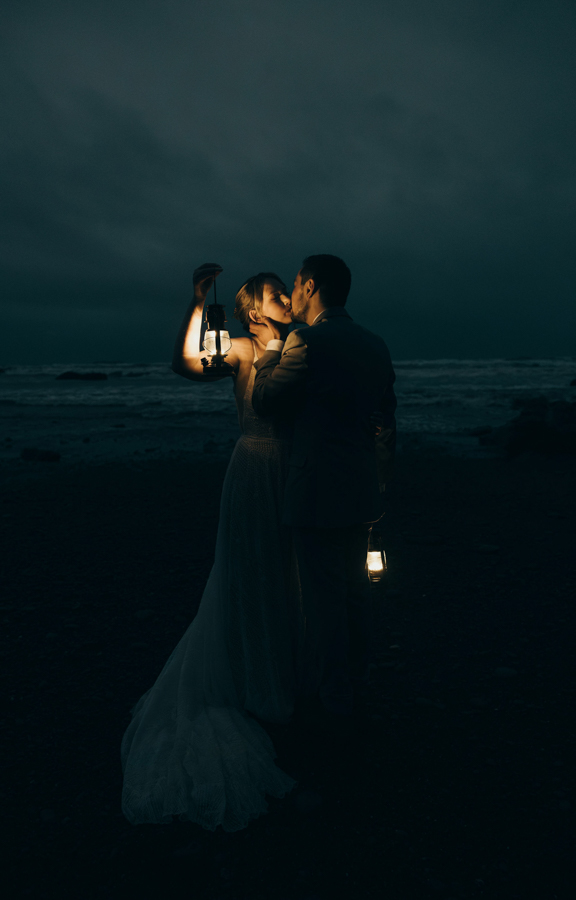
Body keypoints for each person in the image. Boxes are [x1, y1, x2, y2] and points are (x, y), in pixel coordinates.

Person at [120, 264, 306, 833]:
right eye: (276, 294)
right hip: (254, 469)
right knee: (247, 573)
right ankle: (252, 681)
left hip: (297, 472)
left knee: (290, 576)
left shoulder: (302, 346)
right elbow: (184, 363)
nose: (286, 299)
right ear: (253, 308)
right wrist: (199, 302)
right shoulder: (248, 348)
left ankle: (288, 672)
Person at [252, 254, 397, 722]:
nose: (292, 294)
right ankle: (361, 680)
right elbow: (387, 424)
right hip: (360, 491)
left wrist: (272, 351)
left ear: (310, 287)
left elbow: (266, 400)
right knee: (356, 593)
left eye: (295, 285)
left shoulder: (304, 340)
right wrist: (379, 483)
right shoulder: (376, 344)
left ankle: (335, 698)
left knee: (323, 599)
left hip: (314, 490)